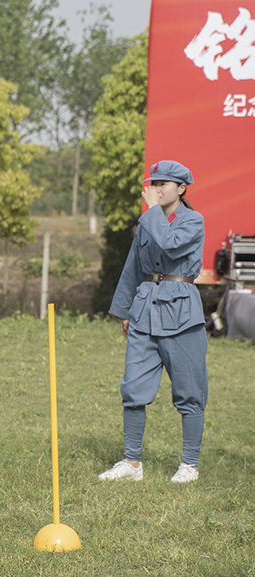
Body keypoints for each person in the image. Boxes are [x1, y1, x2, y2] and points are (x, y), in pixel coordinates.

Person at [100, 160, 207, 484]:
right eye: (154, 183)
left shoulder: (193, 220)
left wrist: (150, 213)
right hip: (144, 312)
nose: (156, 189)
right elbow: (134, 266)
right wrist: (124, 310)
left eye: (164, 183)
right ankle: (132, 463)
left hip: (182, 315)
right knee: (132, 389)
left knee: (189, 393)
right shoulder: (149, 221)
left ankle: (190, 464)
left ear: (181, 188)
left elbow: (171, 244)